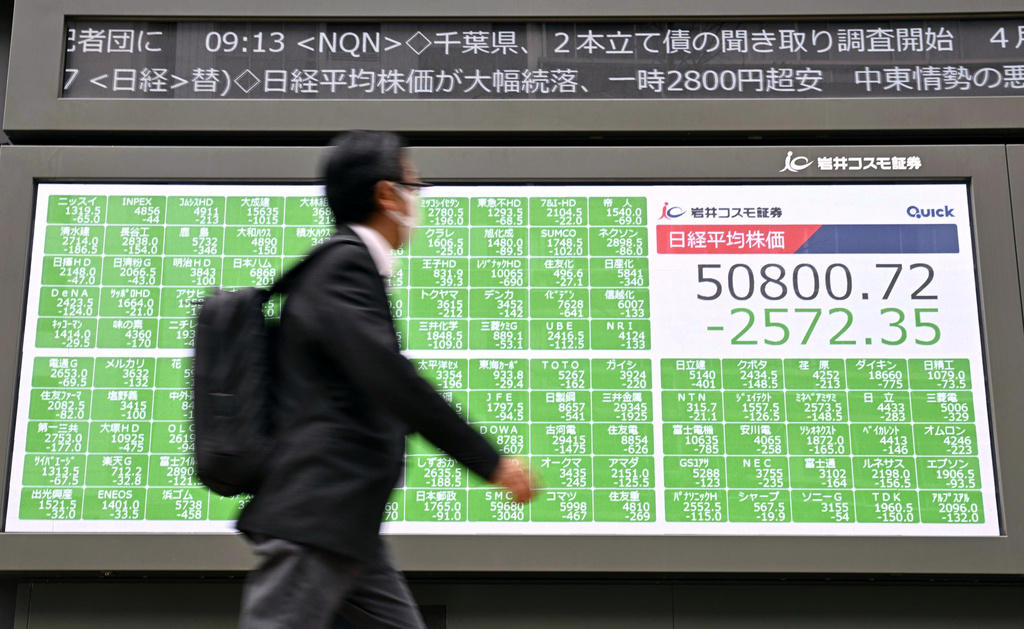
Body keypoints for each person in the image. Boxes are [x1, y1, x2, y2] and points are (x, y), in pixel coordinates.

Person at [236, 130, 533, 628]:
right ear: (385, 194)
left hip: (348, 523)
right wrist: (490, 462)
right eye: (413, 186)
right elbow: (393, 379)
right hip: (317, 516)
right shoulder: (343, 268)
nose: (417, 200)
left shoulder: (343, 269)